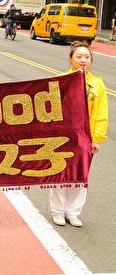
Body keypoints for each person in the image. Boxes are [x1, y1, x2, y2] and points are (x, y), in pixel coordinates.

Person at [49, 41, 108, 228]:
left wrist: (97, 138)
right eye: (79, 57)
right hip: (64, 136)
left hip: (85, 137)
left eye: (87, 57)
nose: (83, 60)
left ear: (91, 60)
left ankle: (72, 212)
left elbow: (101, 113)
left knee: (80, 176)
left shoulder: (97, 85)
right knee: (61, 173)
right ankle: (57, 212)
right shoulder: (60, 81)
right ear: (70, 59)